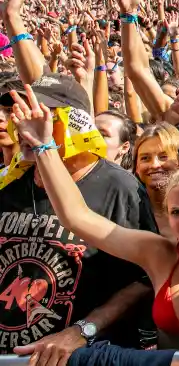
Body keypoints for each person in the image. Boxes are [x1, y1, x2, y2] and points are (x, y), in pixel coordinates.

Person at [0, 77, 150, 361]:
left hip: (80, 357)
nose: (24, 125)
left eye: (40, 116)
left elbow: (142, 280)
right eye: (18, 115)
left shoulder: (118, 186)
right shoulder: (10, 182)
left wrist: (81, 332)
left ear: (75, 123)